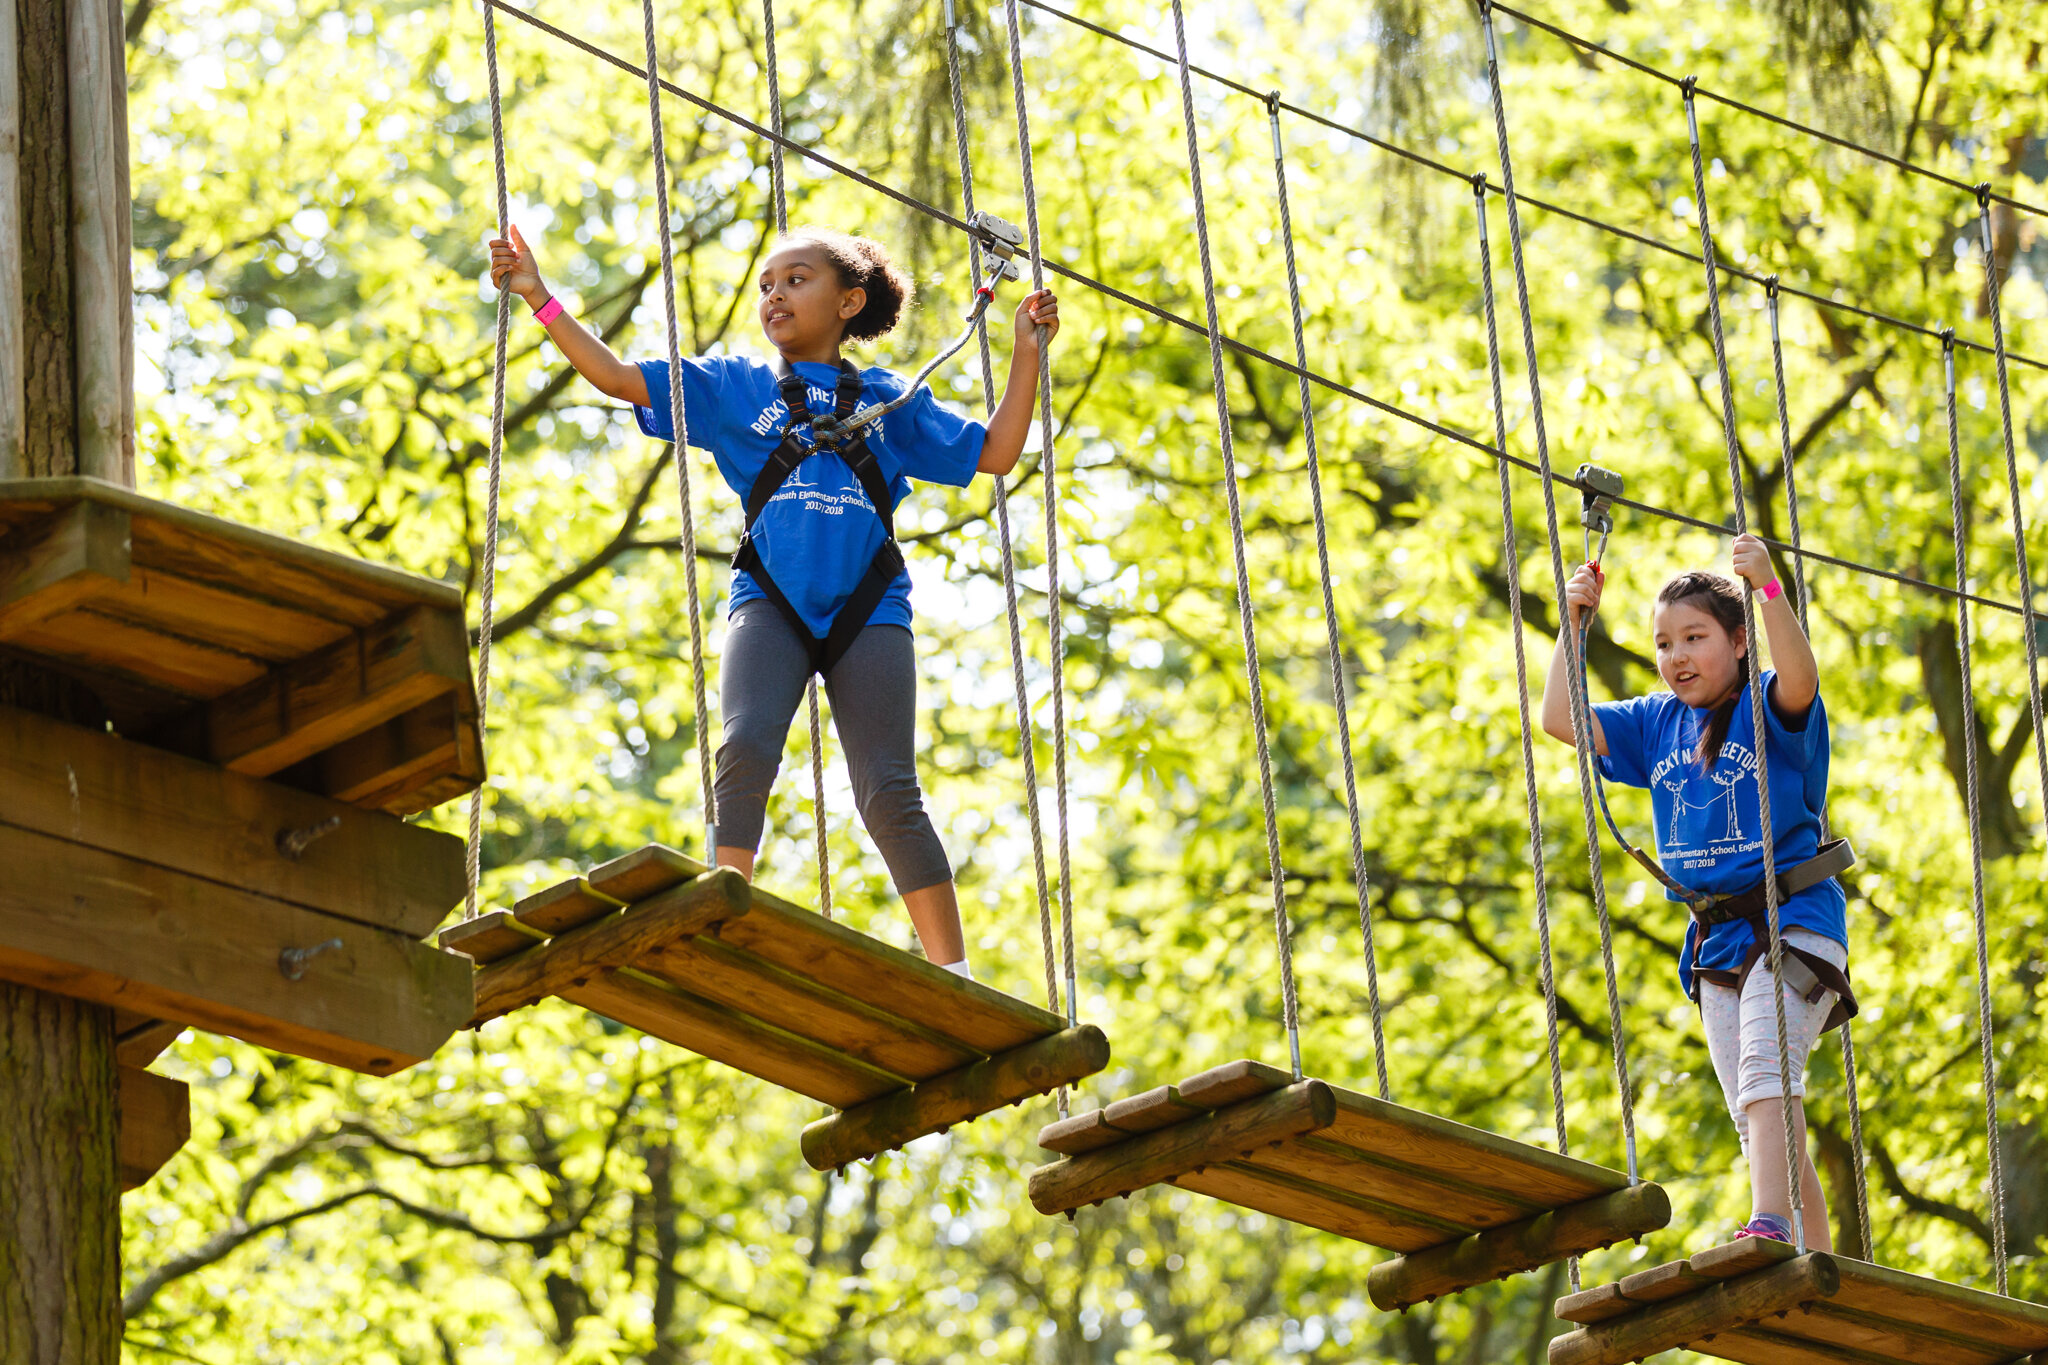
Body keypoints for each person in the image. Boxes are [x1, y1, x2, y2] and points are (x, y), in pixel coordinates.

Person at [489, 222, 1060, 979]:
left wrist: (1025, 351)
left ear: (849, 301)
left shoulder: (891, 399)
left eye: (795, 280)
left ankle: (953, 972)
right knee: (747, 741)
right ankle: (723, 907)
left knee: (890, 789)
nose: (774, 296)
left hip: (868, 607)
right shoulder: (735, 387)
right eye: (767, 286)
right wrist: (538, 295)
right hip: (772, 599)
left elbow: (994, 452)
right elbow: (620, 378)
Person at [1540, 534, 1855, 1247]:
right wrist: (1572, 625)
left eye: (1694, 637)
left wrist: (1769, 588)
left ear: (1739, 642)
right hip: (1719, 938)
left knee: (1765, 1071)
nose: (1676, 655)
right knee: (1758, 1110)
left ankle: (1771, 1224)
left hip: (1794, 919)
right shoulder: (1655, 721)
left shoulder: (1770, 703)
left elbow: (1802, 679)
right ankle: (1815, 1253)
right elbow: (1561, 718)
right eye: (1663, 642)